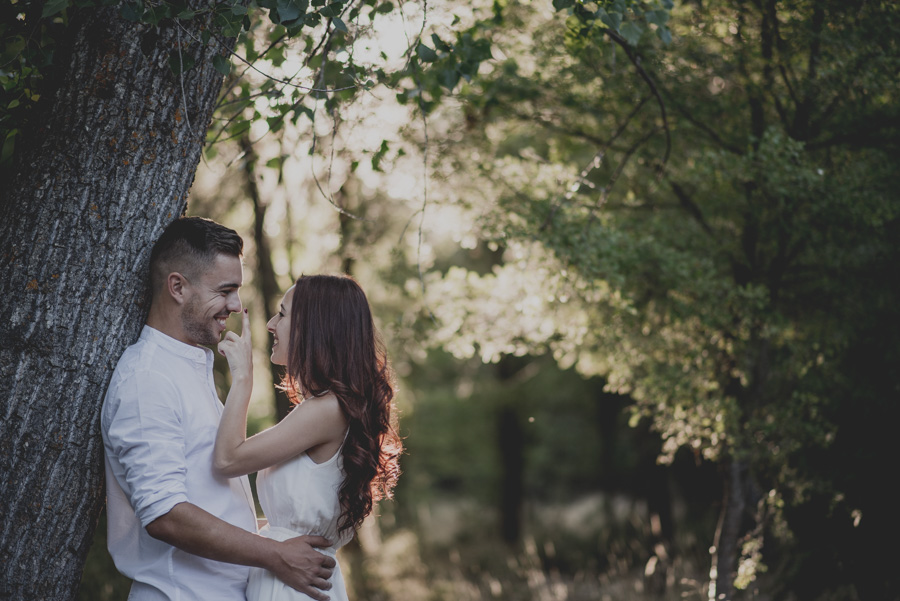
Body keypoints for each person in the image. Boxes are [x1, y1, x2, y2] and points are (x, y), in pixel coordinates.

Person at [101, 217, 336, 601]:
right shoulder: (148, 379)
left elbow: (211, 498)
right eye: (225, 290)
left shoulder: (189, 368)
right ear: (177, 287)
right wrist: (276, 554)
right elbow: (165, 516)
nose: (236, 305)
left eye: (237, 290)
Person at [214, 274, 402, 601]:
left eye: (283, 314)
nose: (271, 324)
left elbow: (228, 459)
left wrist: (243, 378)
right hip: (292, 577)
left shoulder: (327, 409)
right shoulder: (333, 407)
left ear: (314, 327)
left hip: (292, 587)